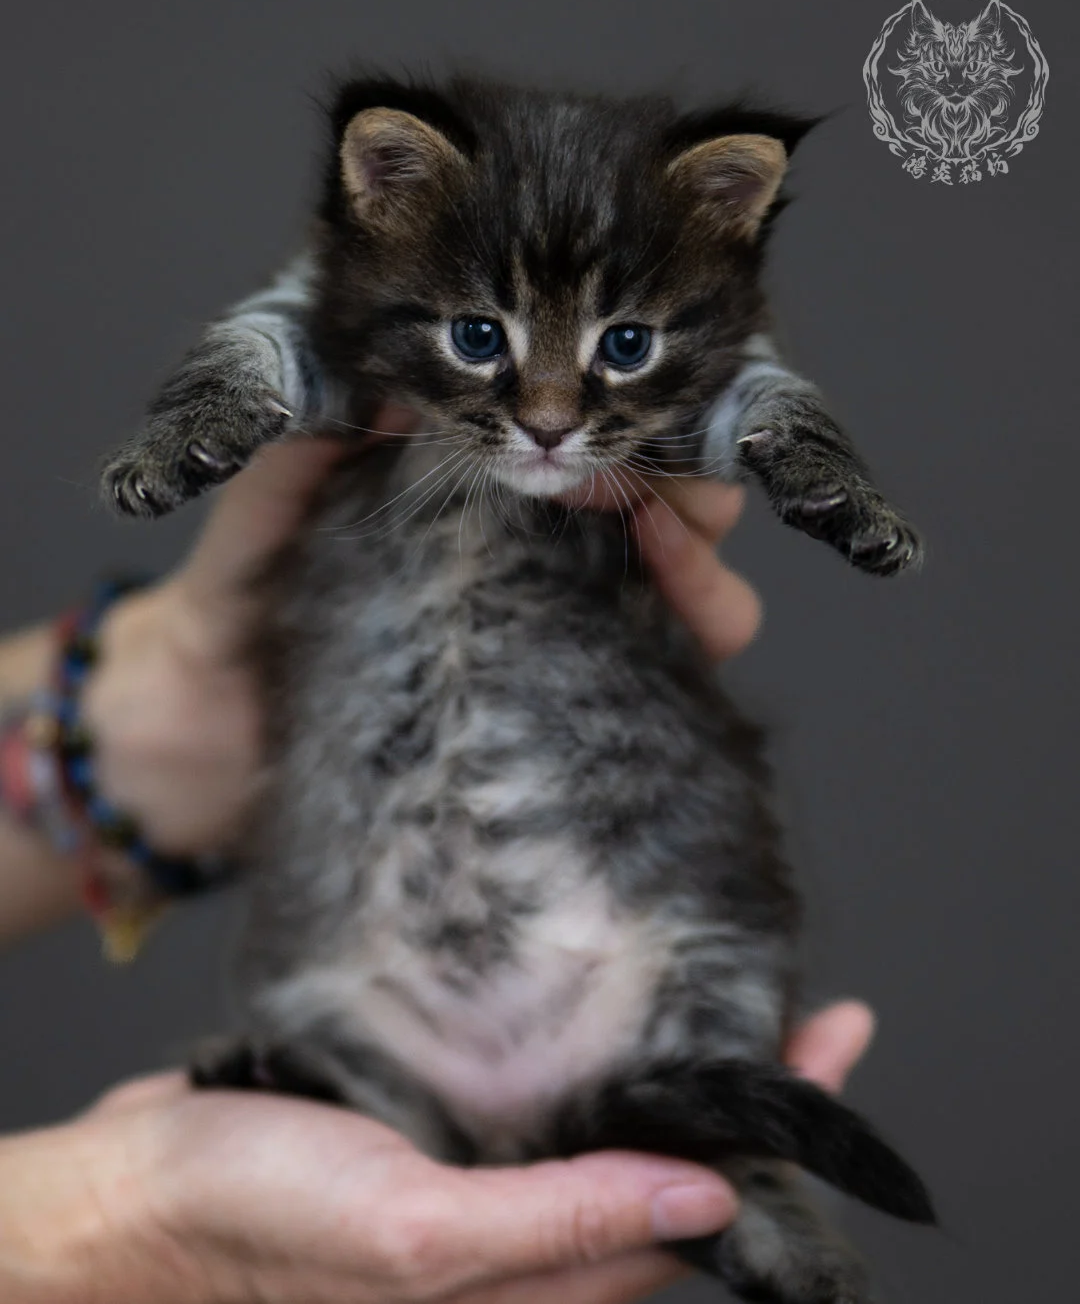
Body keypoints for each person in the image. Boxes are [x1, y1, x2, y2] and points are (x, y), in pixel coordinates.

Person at [0, 428, 875, 1304]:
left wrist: (171, 694)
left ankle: (702, 1137)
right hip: (383, 1029)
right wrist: (119, 1223)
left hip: (610, 990)